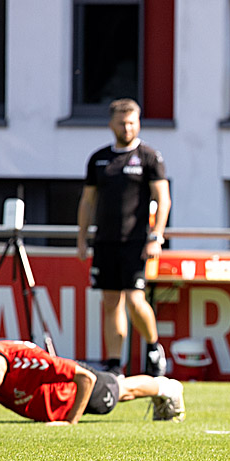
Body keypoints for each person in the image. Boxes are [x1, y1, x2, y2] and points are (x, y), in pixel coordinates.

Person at [76, 98, 171, 378]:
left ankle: (153, 348)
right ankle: (116, 364)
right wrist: (82, 237)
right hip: (105, 241)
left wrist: (157, 236)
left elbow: (163, 199)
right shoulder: (99, 159)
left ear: (138, 123)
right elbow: (87, 201)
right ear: (111, 124)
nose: (127, 128)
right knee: (110, 302)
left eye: (132, 122)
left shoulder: (149, 157)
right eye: (122, 123)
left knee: (134, 300)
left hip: (136, 242)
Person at [0, 340, 185, 425]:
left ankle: (169, 388)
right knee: (121, 389)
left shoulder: (32, 362)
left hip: (74, 393)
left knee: (121, 391)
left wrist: (71, 421)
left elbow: (85, 378)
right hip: (55, 402)